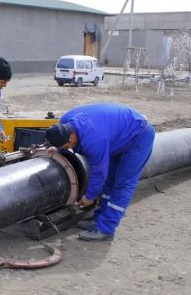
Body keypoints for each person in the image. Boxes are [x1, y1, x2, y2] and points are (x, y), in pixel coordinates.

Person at [44, 103, 155, 241]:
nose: (67, 149)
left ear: (71, 138)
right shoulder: (66, 120)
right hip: (118, 133)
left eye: (67, 147)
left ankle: (106, 228)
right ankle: (99, 219)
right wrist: (58, 149)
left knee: (123, 183)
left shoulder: (94, 140)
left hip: (139, 135)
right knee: (110, 180)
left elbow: (98, 172)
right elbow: (102, 173)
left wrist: (90, 197)